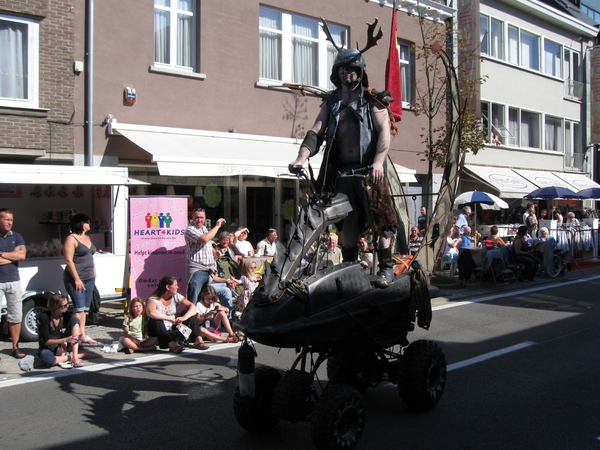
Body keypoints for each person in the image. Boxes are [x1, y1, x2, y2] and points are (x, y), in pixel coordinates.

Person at [287, 29, 399, 286]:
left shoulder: (373, 100)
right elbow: (316, 131)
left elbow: (385, 132)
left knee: (380, 219)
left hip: (370, 172)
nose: (346, 73)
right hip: (343, 174)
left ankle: (386, 268)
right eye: (342, 69)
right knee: (348, 222)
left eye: (351, 69)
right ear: (335, 73)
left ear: (360, 72)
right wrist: (300, 158)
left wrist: (379, 162)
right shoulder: (332, 102)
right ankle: (350, 268)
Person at [146, 275, 223, 352]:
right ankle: (172, 345)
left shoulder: (175, 296)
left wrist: (184, 318)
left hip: (172, 328)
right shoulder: (154, 298)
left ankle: (198, 341)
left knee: (190, 314)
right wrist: (171, 319)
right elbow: (151, 312)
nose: (177, 287)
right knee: (155, 320)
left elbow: (192, 307)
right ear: (168, 287)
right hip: (159, 330)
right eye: (175, 285)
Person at [63, 213, 97, 345]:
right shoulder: (71, 239)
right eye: (87, 222)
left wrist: (94, 271)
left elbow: (90, 256)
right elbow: (68, 260)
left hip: (89, 277)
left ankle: (82, 333)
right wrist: (77, 279)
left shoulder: (87, 238)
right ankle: (74, 336)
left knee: (84, 309)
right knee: (78, 308)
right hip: (76, 278)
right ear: (81, 223)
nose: (90, 224)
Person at [0, 208, 27, 359]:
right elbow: (17, 255)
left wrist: (2, 254)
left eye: (11, 220)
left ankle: (15, 347)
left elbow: (22, 255)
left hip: (14, 280)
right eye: (6, 219)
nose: (10, 222)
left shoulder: (17, 237)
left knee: (16, 315)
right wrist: (13, 256)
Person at [184, 207, 226, 304]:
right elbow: (204, 239)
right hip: (197, 270)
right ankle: (191, 319)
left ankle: (202, 318)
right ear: (192, 217)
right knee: (194, 300)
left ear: (205, 218)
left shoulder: (204, 228)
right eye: (197, 217)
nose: (199, 220)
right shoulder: (190, 229)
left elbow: (206, 243)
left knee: (204, 301)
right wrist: (217, 226)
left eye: (202, 218)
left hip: (207, 270)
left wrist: (214, 252)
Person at [37, 294, 87, 368]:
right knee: (47, 359)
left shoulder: (64, 314)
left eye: (67, 304)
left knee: (75, 320)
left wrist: (79, 335)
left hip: (61, 344)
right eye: (64, 305)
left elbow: (73, 326)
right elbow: (46, 341)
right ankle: (69, 358)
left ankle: (75, 356)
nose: (67, 306)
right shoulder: (44, 317)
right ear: (56, 307)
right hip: (49, 346)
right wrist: (65, 339)